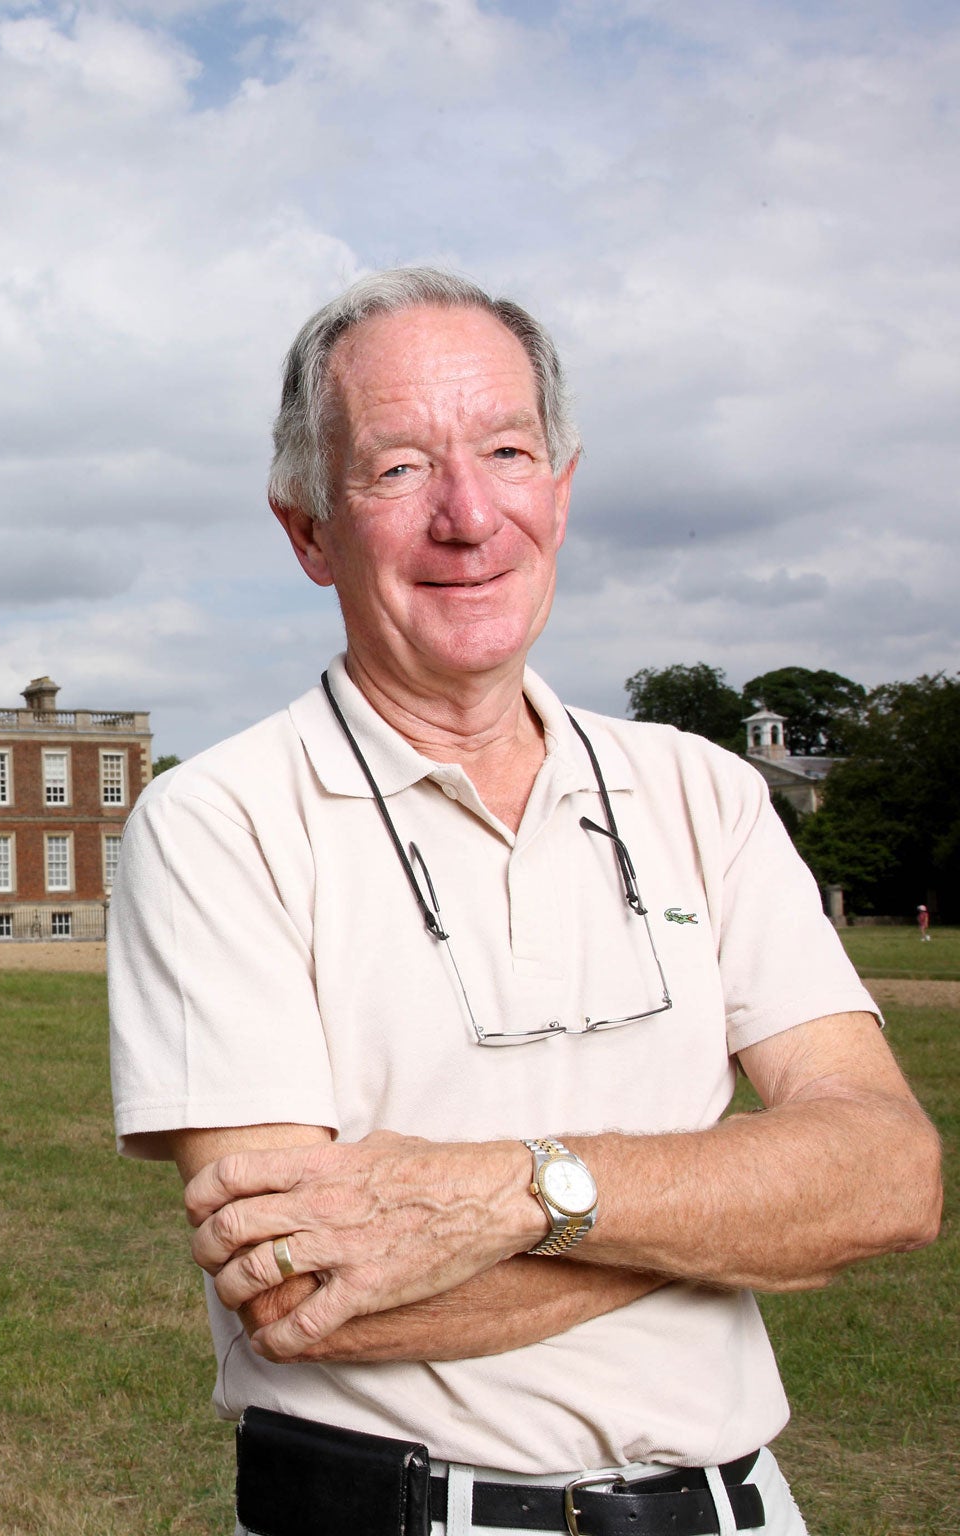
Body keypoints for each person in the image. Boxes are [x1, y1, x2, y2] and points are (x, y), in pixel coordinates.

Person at [106, 268, 942, 1536]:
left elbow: (887, 1178)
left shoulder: (699, 790)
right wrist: (732, 1209)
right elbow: (302, 1292)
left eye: (505, 450)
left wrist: (514, 1196)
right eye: (395, 469)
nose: (465, 515)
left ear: (558, 488)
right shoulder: (219, 820)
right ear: (308, 530)